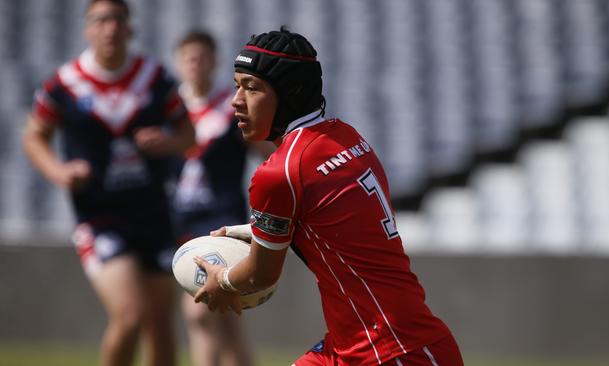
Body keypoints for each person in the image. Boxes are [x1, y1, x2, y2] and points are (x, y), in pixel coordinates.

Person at [193, 27, 464, 366]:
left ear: (289, 93)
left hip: (393, 352)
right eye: (236, 86)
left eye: (252, 87)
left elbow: (260, 276)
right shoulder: (346, 137)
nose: (236, 100)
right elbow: (328, 223)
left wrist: (224, 281)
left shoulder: (281, 171)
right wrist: (254, 230)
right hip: (364, 343)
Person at [22, 1, 194, 365]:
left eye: (118, 19)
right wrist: (59, 171)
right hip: (98, 215)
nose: (110, 28)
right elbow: (34, 137)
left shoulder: (156, 78)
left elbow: (188, 134)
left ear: (130, 29)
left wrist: (169, 142)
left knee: (160, 322)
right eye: (101, 20)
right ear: (88, 29)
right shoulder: (64, 84)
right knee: (130, 314)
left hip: (153, 212)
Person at [172, 30, 272, 366]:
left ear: (214, 62)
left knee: (200, 310)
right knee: (228, 320)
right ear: (179, 63)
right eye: (189, 58)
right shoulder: (168, 109)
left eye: (202, 57)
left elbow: (267, 153)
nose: (196, 65)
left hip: (219, 220)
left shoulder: (232, 108)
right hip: (175, 218)